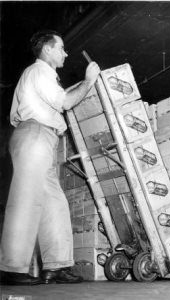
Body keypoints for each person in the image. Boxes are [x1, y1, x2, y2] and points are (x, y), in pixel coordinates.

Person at [0, 30, 100, 285]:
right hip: (35, 134)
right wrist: (89, 81)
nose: (65, 53)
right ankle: (12, 268)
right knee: (26, 201)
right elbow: (65, 102)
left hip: (41, 138)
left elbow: (60, 98)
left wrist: (83, 84)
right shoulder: (39, 71)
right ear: (47, 50)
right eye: (61, 48)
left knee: (54, 202)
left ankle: (56, 267)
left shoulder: (42, 76)